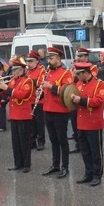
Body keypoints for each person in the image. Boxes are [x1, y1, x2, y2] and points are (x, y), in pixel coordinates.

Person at [71, 62, 104, 187]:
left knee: (95, 151)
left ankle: (97, 175)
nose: (76, 76)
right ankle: (88, 173)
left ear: (85, 73)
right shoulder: (79, 84)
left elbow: (98, 101)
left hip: (93, 123)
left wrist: (80, 100)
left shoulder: (99, 84)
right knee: (85, 150)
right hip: (81, 122)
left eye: (78, 74)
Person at [41, 47, 74, 178]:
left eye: (52, 58)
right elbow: (46, 91)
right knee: (53, 140)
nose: (49, 60)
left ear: (59, 59)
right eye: (48, 58)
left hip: (60, 110)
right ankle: (55, 165)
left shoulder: (66, 73)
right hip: (47, 109)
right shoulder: (48, 72)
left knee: (62, 140)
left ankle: (65, 166)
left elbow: (68, 91)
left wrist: (51, 87)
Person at [0, 58, 34, 173]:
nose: (12, 72)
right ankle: (18, 163)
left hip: (23, 114)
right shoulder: (13, 80)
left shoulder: (27, 81)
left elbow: (21, 95)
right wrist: (0, 88)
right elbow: (7, 94)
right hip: (14, 115)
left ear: (21, 70)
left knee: (25, 141)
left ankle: (26, 164)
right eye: (12, 70)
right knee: (16, 141)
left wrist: (6, 88)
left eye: (15, 70)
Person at [26, 50, 47, 151]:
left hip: (38, 100)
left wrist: (30, 81)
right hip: (29, 100)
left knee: (39, 123)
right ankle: (32, 141)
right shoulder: (27, 71)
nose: (28, 64)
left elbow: (41, 82)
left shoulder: (41, 70)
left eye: (31, 61)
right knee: (31, 123)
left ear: (36, 61)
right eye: (28, 62)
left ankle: (41, 141)